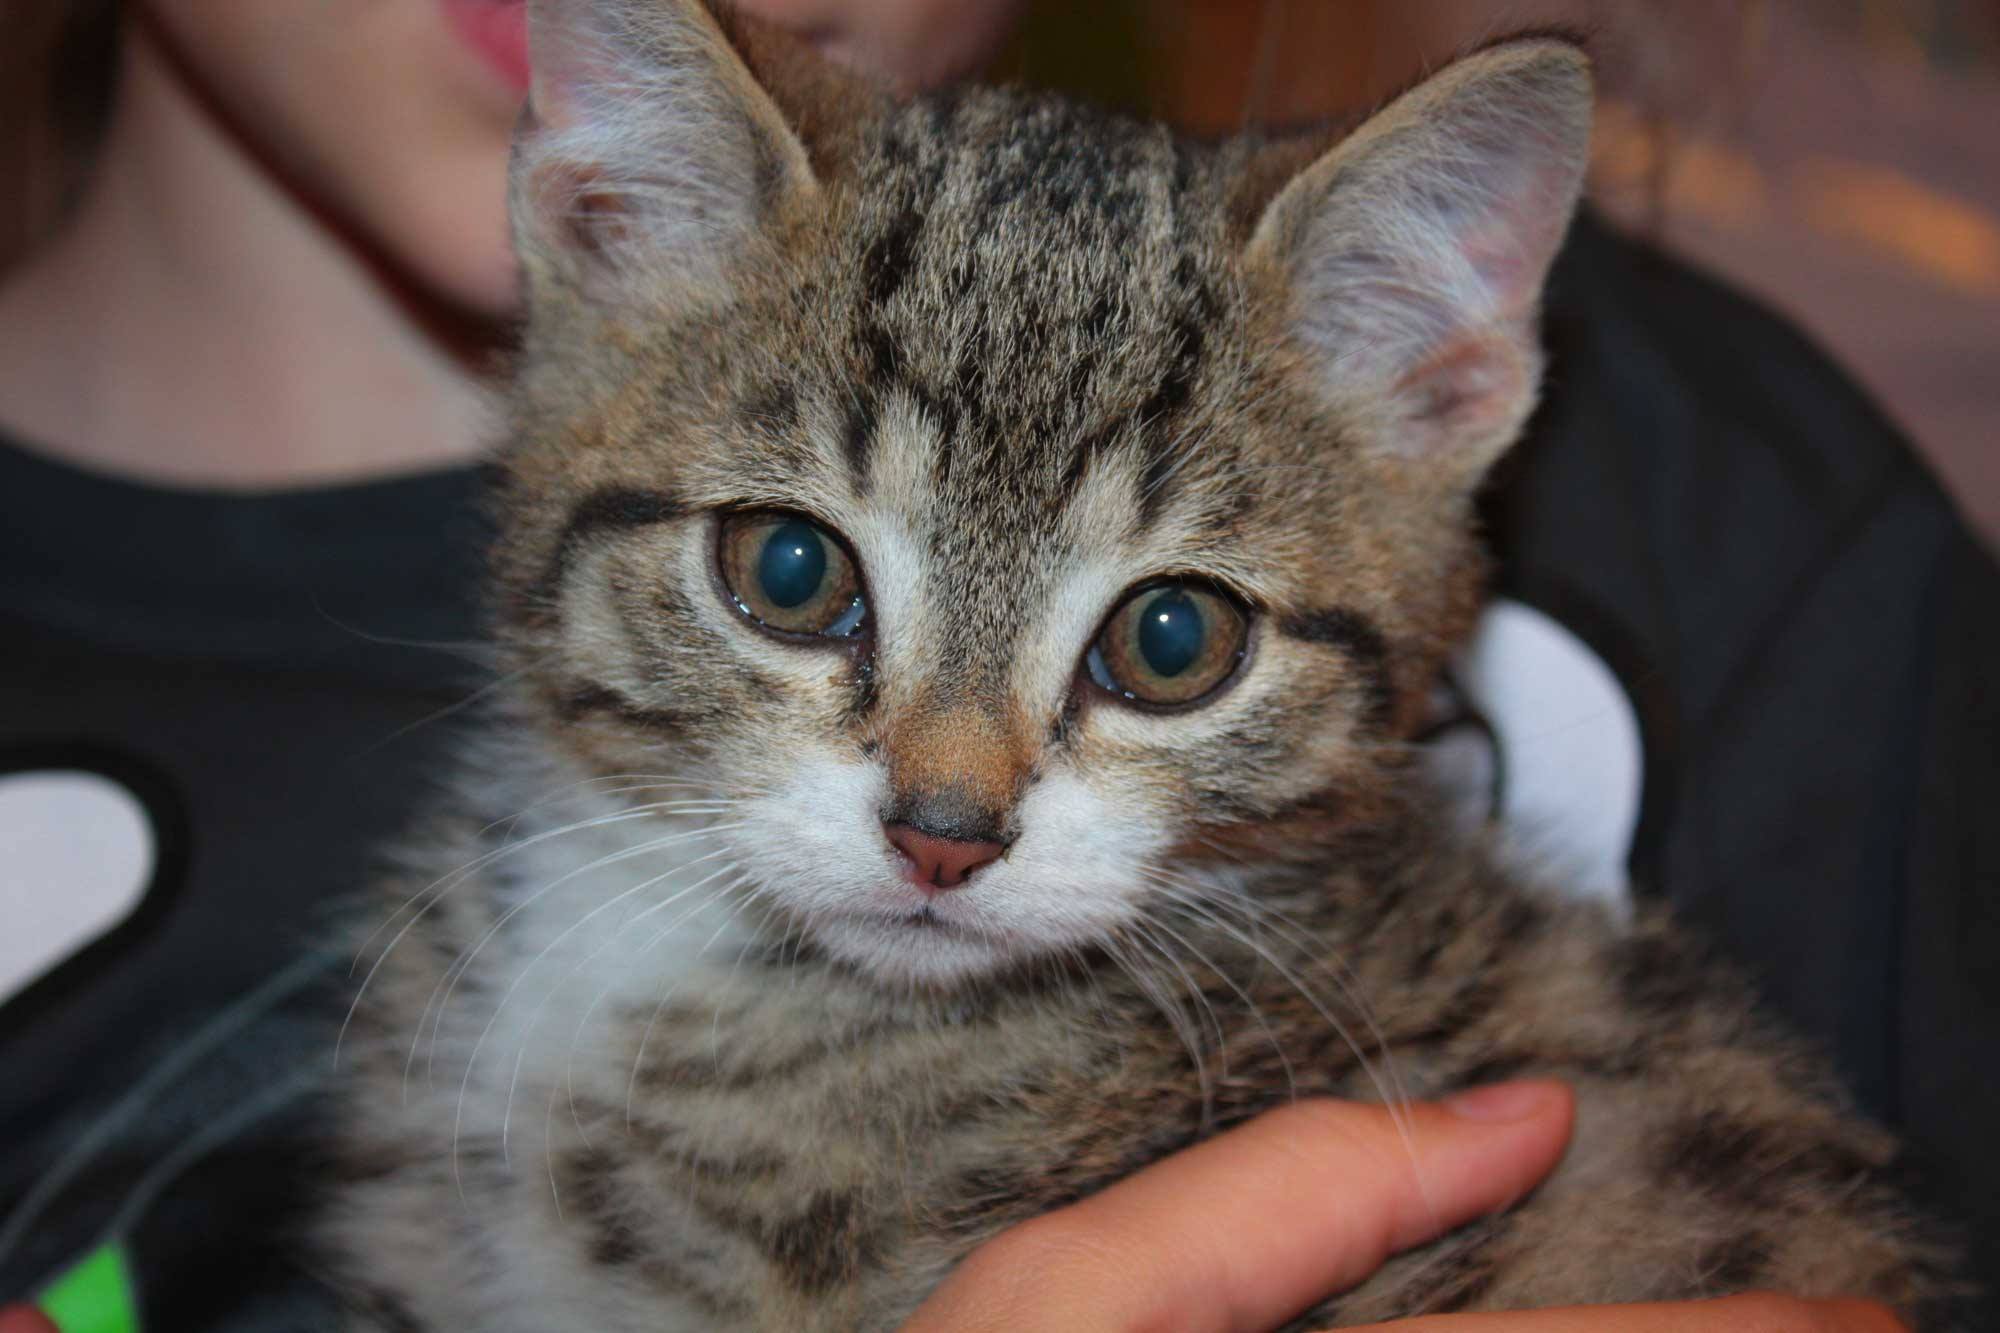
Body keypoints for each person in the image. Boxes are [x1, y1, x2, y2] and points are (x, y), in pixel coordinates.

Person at [1, 1, 1989, 1328]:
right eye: (795, 571)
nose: (952, 797)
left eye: (1166, 640)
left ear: (1438, 397)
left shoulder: (1746, 531)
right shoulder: (437, 969)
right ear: (604, 228)